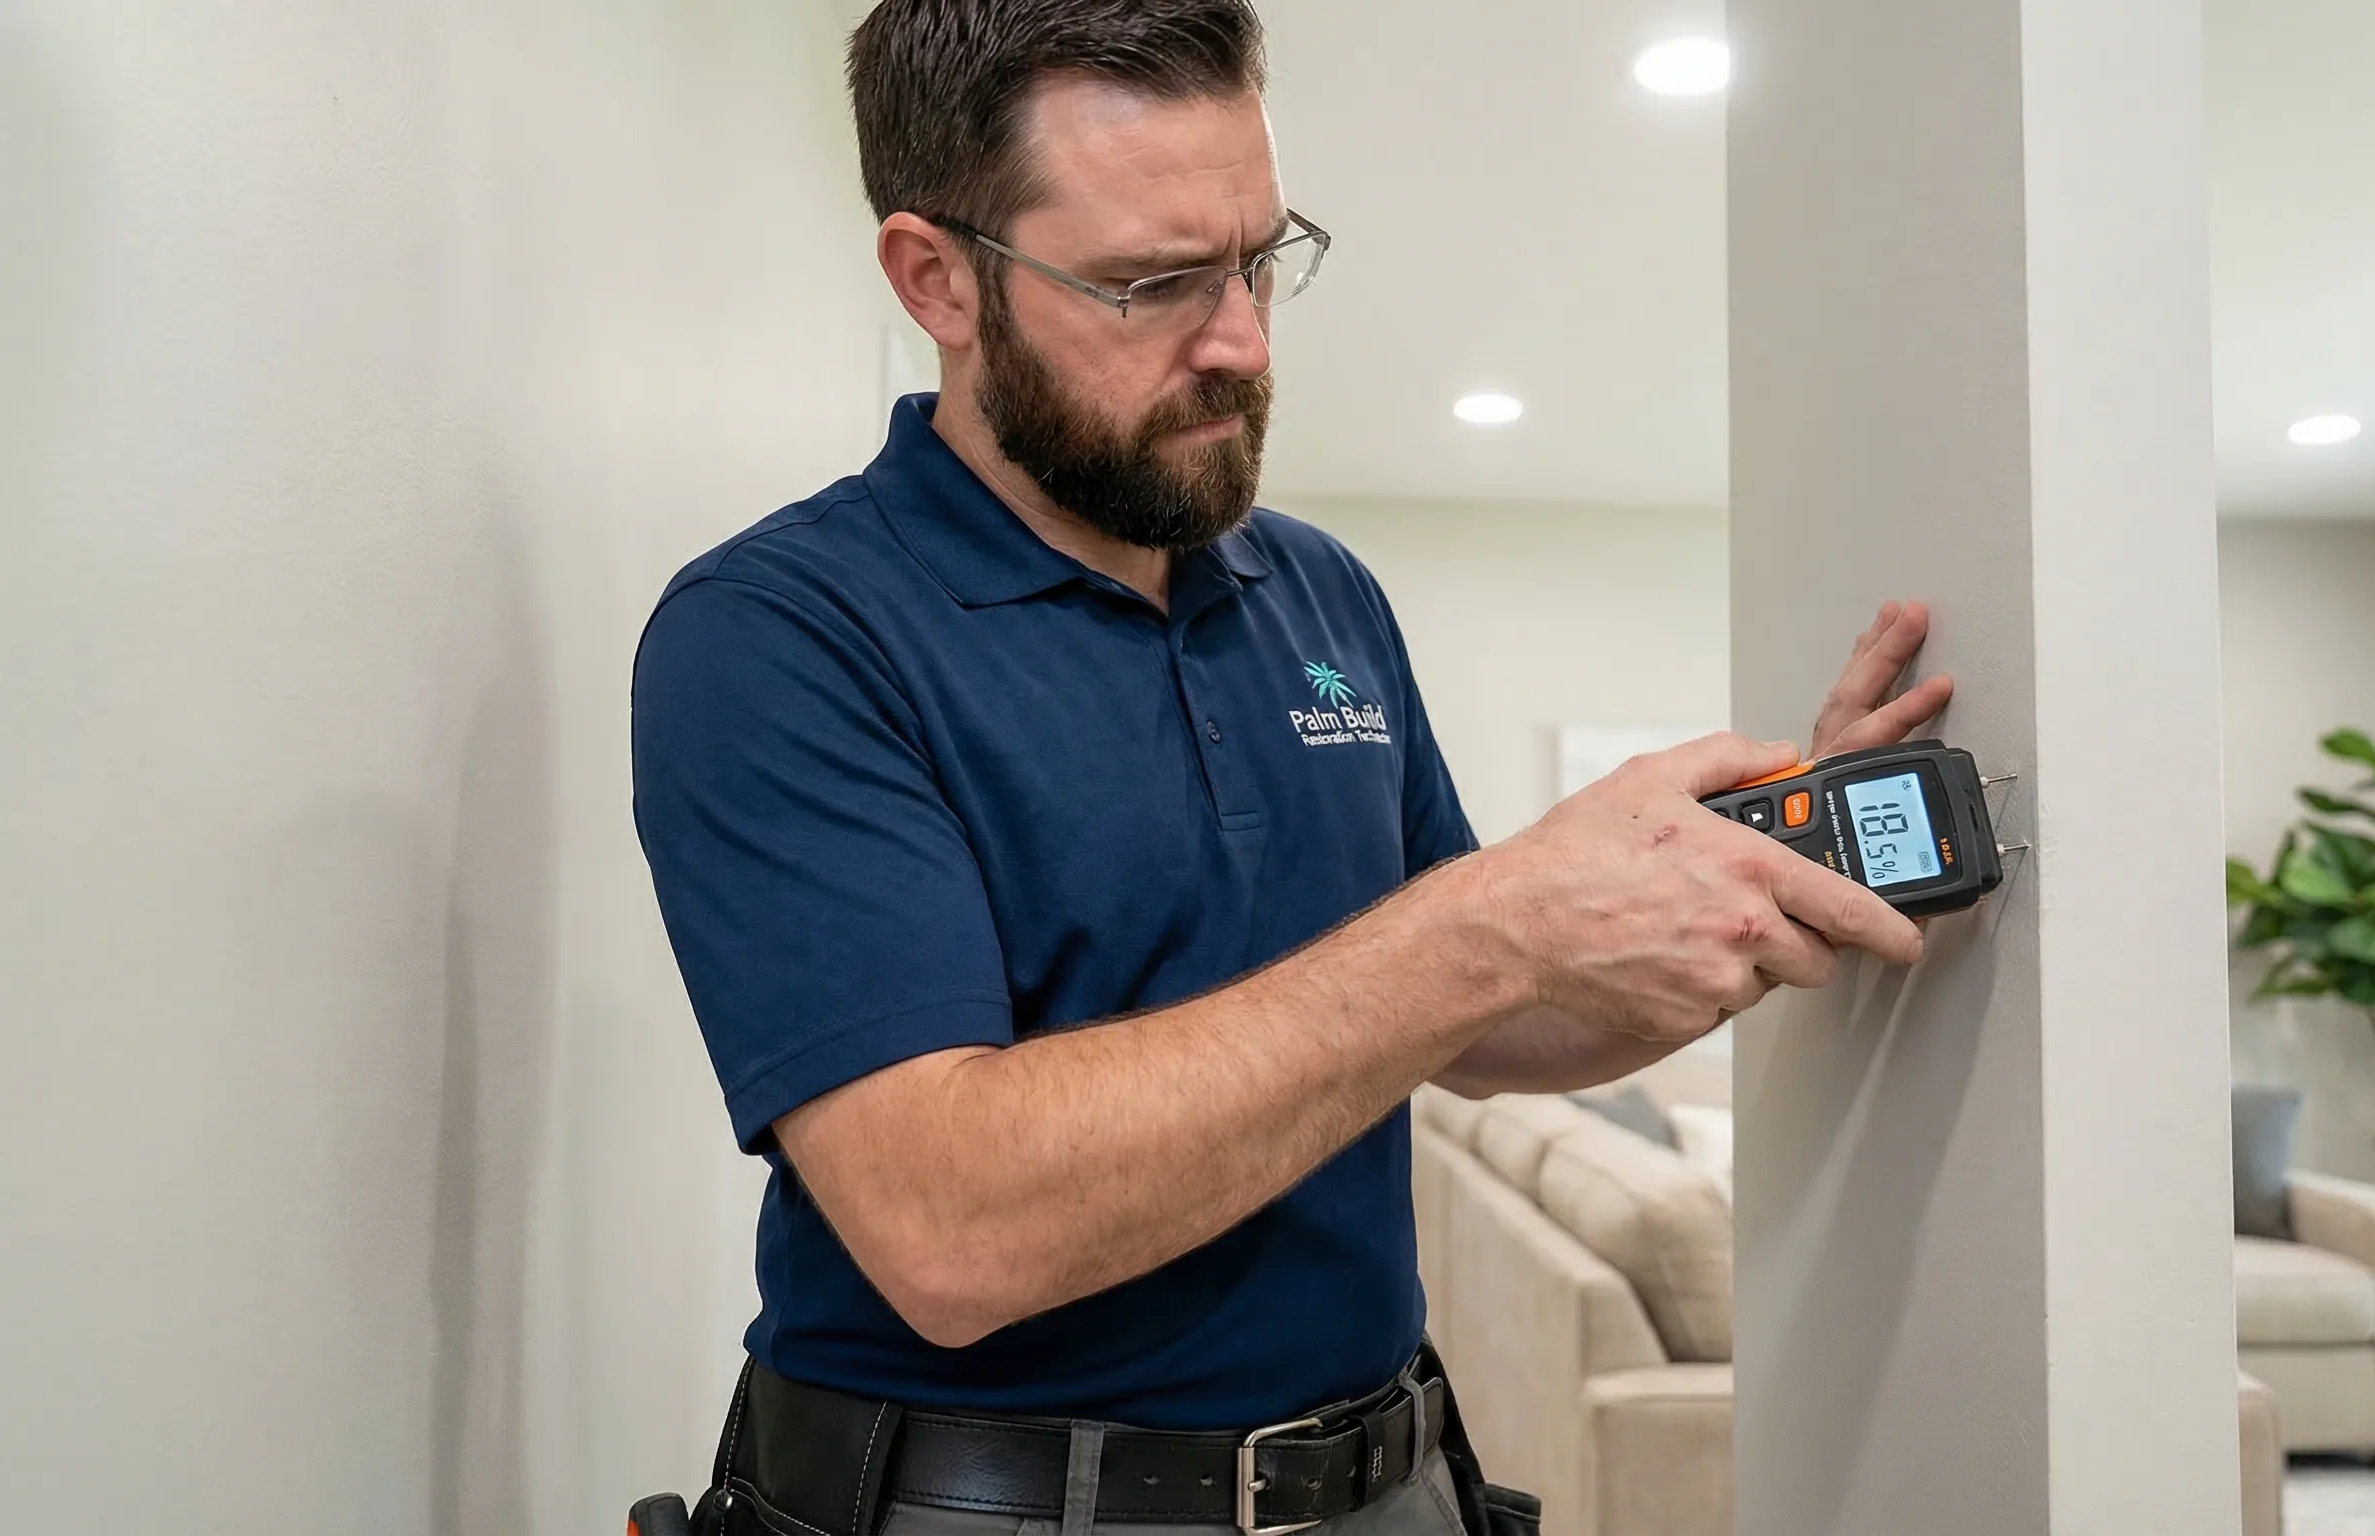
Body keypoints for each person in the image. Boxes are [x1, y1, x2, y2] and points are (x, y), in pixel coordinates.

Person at [629, 2, 1957, 1532]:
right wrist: (1491, 920)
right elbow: (950, 1232)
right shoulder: (782, 632)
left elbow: (1473, 1018)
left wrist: (1737, 872)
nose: (1243, 339)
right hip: (991, 1506)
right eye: (1154, 283)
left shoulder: (1318, 593)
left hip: (1391, 1479)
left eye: (1264, 256)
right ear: (938, 278)